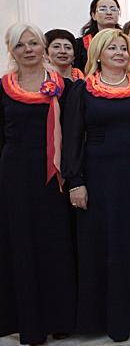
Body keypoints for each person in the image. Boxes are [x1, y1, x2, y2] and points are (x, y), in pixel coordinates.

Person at [62, 29, 130, 342]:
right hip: (98, 178)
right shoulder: (82, 91)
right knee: (104, 244)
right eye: (113, 48)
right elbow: (71, 139)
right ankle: (108, 317)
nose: (121, 52)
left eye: (123, 48)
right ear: (98, 53)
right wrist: (76, 182)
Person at [0, 24, 76, 345]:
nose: (28, 49)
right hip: (15, 174)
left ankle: (60, 319)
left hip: (53, 175)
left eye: (34, 43)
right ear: (12, 51)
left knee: (55, 242)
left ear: (43, 47)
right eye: (21, 45)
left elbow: (73, 134)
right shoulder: (2, 87)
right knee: (22, 243)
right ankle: (30, 323)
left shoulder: (65, 86)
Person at [76, 0, 122, 71]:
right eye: (103, 9)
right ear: (93, 15)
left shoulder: (126, 39)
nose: (109, 13)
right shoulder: (80, 45)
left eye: (113, 9)